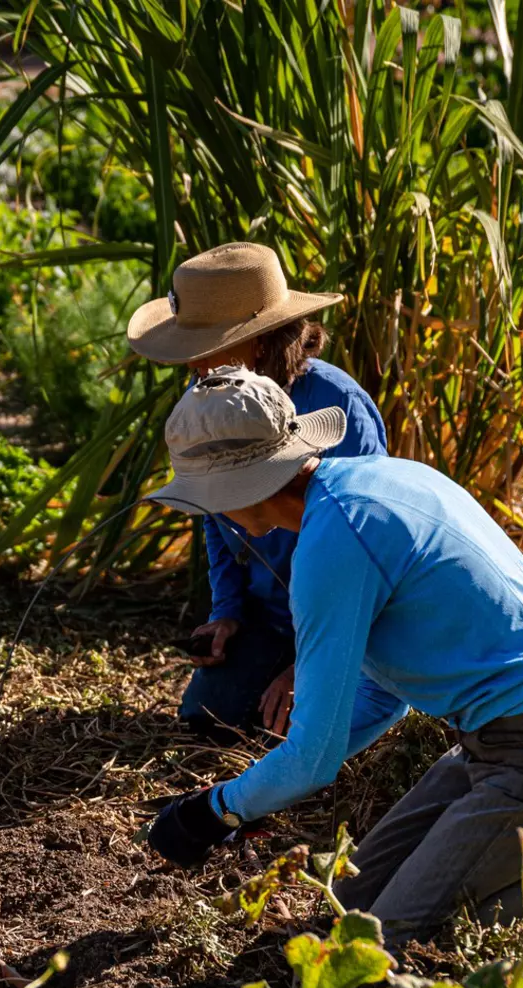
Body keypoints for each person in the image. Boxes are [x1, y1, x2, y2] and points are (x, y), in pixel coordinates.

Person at [144, 367, 523, 944]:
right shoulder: (378, 480)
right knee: (351, 910)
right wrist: (255, 801)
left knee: (390, 944)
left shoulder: (334, 542)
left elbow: (313, 759)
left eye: (208, 500)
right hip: (508, 738)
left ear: (238, 494)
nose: (214, 516)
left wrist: (213, 812)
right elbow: (384, 697)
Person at [126, 241, 394, 739]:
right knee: (209, 720)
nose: (192, 366)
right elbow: (214, 513)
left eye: (203, 347)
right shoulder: (208, 398)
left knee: (303, 732)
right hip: (270, 616)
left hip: (345, 620)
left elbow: (365, 554)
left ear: (260, 341)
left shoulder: (339, 405)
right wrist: (227, 613)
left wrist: (309, 668)